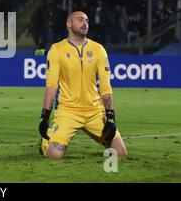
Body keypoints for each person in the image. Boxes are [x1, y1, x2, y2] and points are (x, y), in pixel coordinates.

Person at [38, 11, 127, 159]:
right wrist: (44, 116)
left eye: (87, 20)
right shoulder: (57, 50)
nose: (85, 23)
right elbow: (51, 86)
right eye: (80, 20)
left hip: (95, 113)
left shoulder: (98, 50)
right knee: (54, 156)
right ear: (69, 24)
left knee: (121, 154)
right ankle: (45, 143)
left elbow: (105, 87)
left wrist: (111, 117)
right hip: (68, 111)